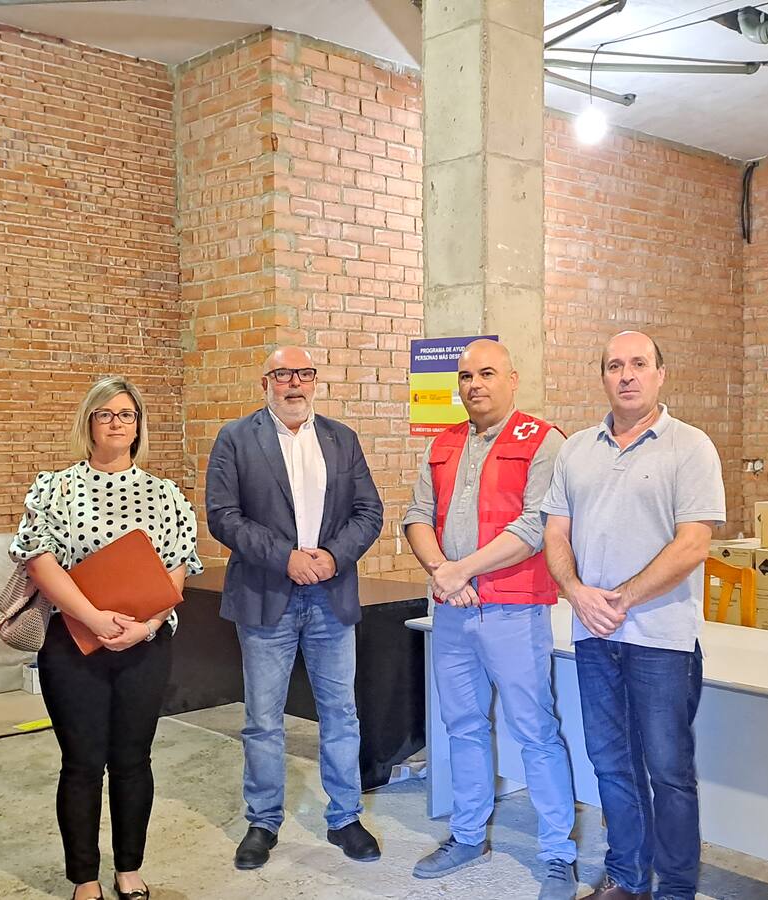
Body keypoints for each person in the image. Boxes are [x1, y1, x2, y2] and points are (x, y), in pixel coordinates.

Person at [542, 331, 726, 900]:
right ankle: (625, 878)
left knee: (669, 773)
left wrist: (620, 598)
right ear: (603, 377)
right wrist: (575, 591)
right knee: (610, 765)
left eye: (639, 364)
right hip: (594, 635)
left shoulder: (690, 446)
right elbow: (555, 532)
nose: (626, 375)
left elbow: (693, 544)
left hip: (661, 640)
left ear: (660, 374)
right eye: (614, 365)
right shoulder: (576, 449)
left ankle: (675, 889)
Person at [10, 376, 202, 900]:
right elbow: (40, 560)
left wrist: (148, 625)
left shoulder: (166, 494)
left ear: (138, 426)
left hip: (145, 645)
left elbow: (177, 569)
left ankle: (129, 869)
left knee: (134, 760)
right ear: (89, 423)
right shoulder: (56, 487)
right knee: (82, 764)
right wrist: (93, 618)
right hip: (73, 644)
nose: (116, 423)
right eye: (105, 414)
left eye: (126, 415)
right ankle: (84, 878)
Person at [402, 339, 578, 897]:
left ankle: (558, 853)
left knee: (536, 732)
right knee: (463, 727)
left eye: (486, 374)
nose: (474, 385)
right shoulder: (443, 443)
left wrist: (460, 571)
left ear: (512, 379)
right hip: (453, 614)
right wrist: (442, 572)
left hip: (514, 610)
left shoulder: (543, 440)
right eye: (465, 376)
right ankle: (467, 835)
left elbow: (534, 527)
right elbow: (416, 515)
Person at [205, 346, 384, 870]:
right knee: (263, 719)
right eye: (283, 374)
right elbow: (222, 516)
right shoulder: (236, 438)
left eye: (303, 374)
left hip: (331, 594)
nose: (294, 384)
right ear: (265, 383)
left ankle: (345, 817)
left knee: (341, 715)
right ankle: (263, 821)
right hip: (266, 596)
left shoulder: (341, 438)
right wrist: (285, 557)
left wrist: (332, 556)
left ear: (314, 381)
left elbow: (369, 511)